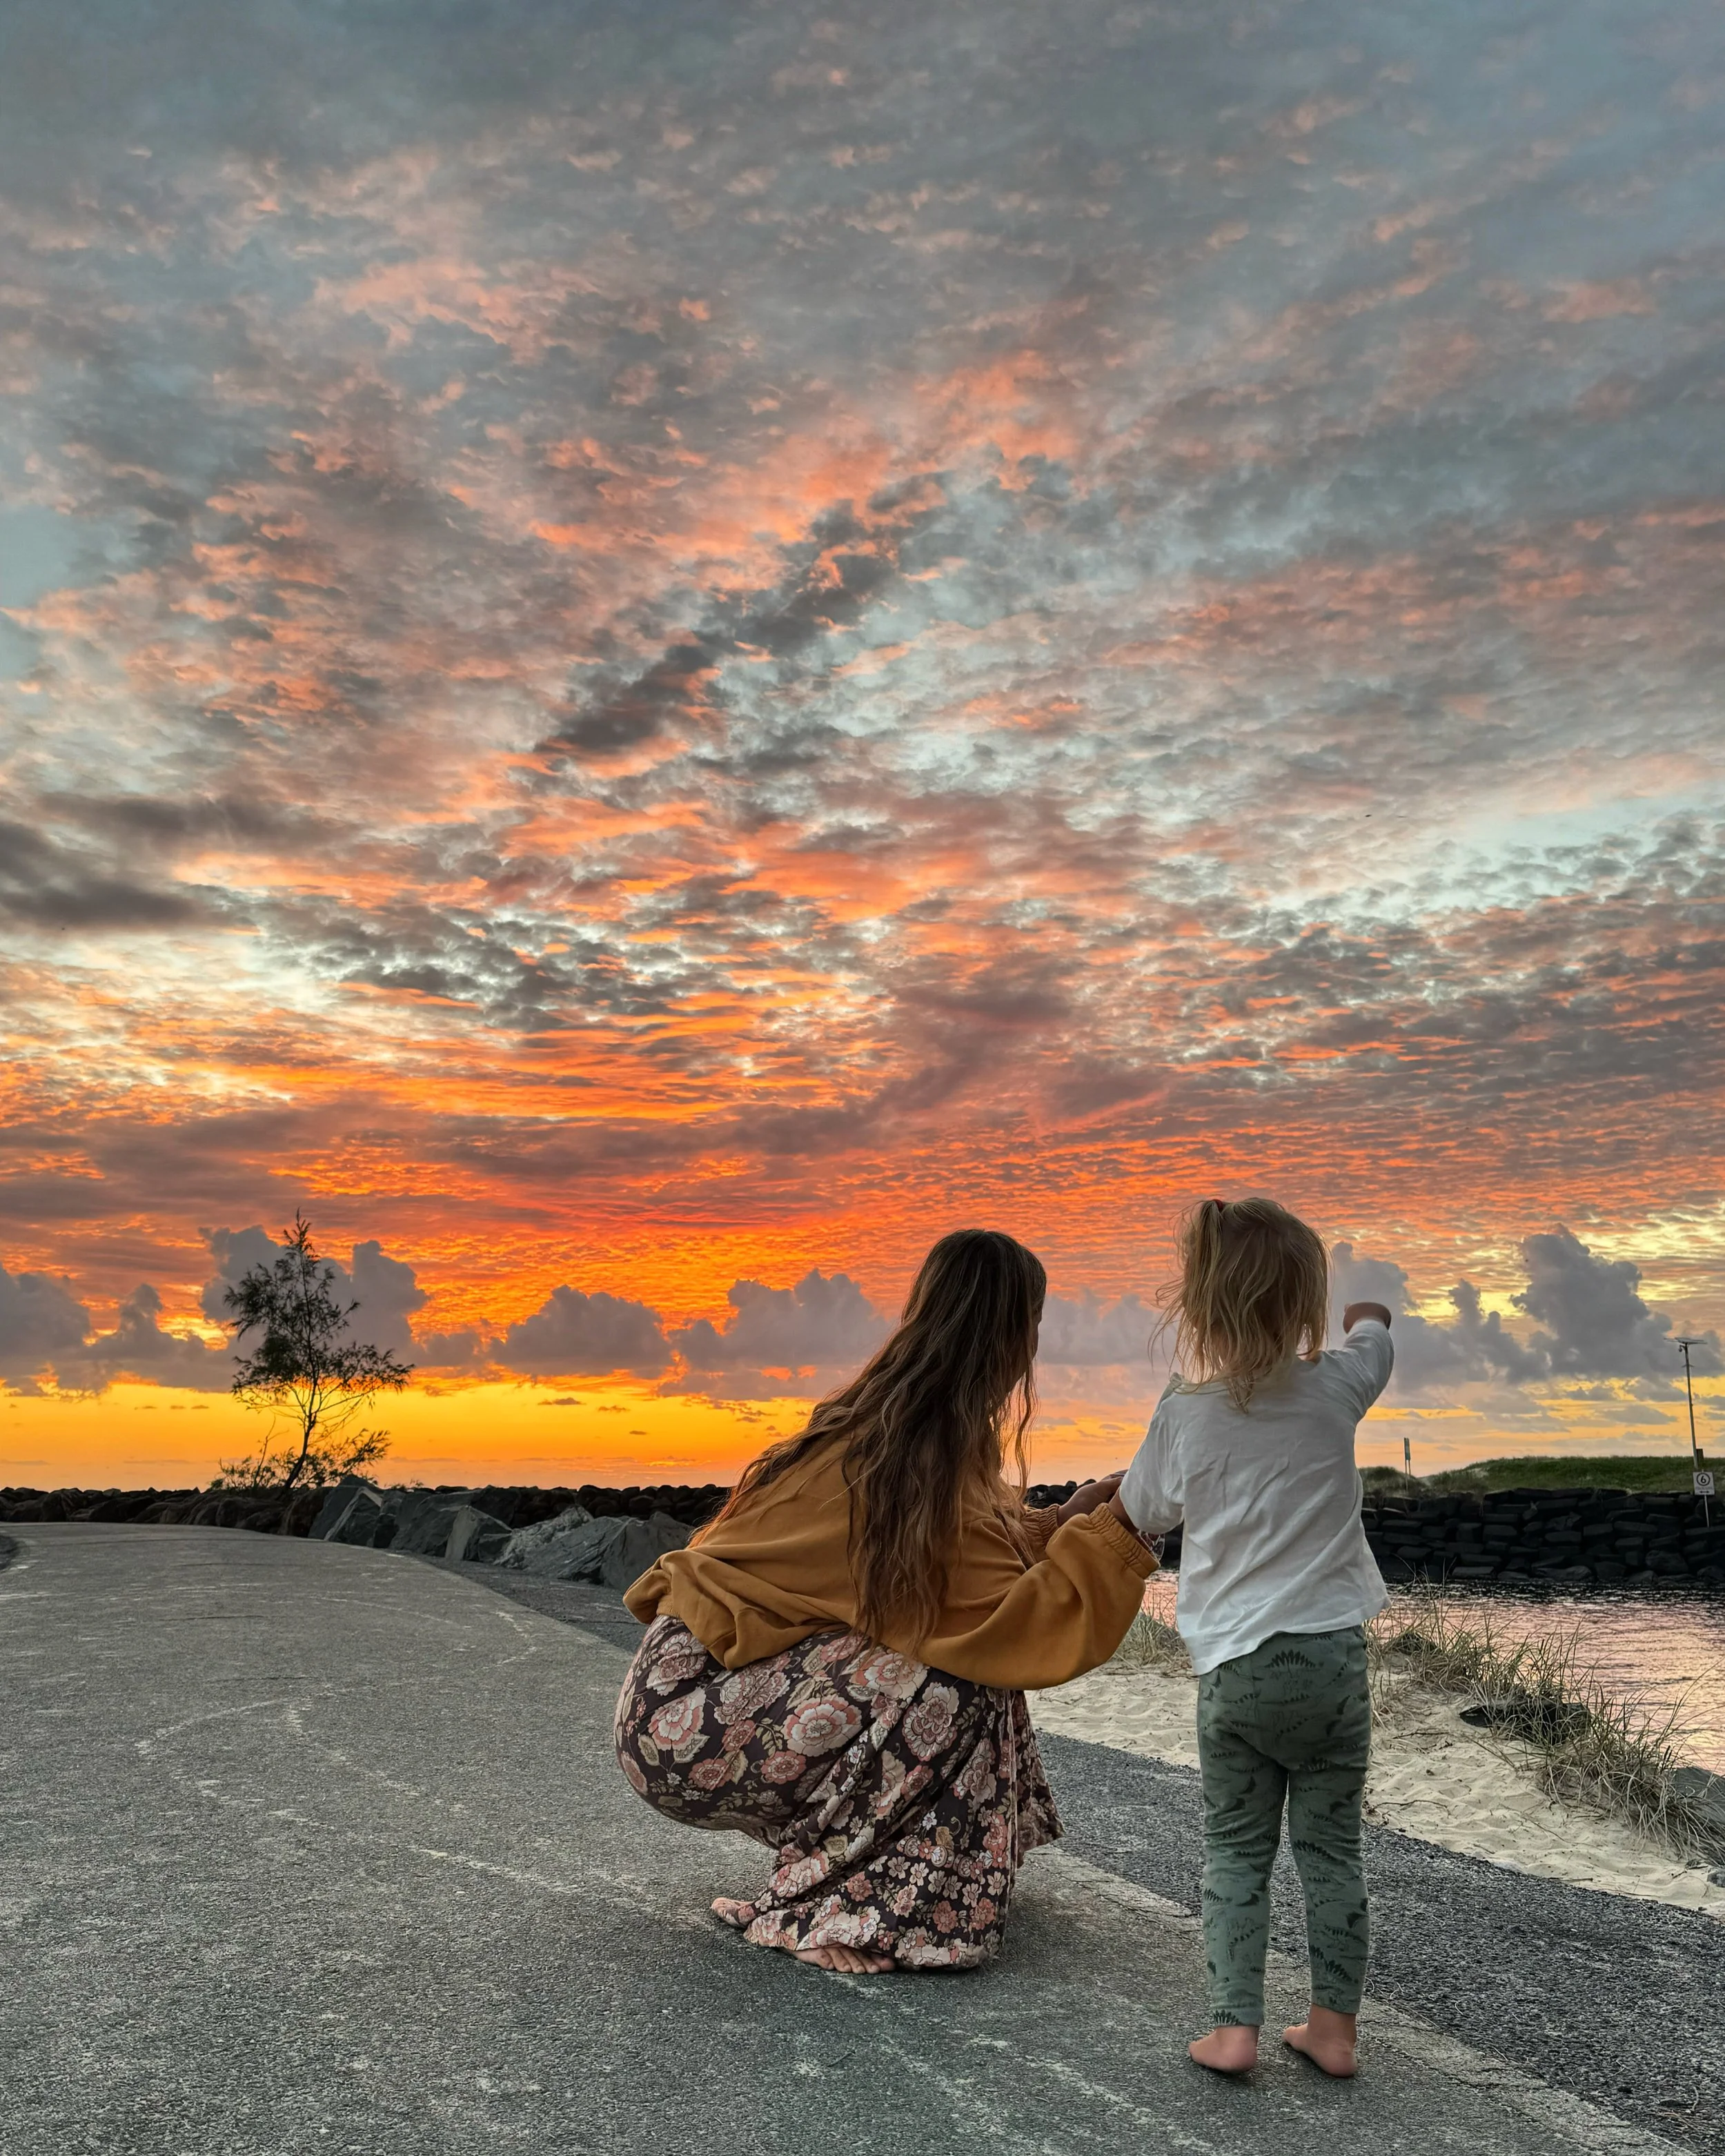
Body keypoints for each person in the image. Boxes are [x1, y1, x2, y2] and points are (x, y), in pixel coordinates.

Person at [617, 1227, 1158, 1974]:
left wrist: (1064, 1521)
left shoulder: (903, 1430)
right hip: (688, 1712)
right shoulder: (913, 1457)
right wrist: (1116, 1534)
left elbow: (968, 1560)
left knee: (953, 1656)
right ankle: (826, 1904)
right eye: (1032, 1322)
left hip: (702, 1694)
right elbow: (1006, 1618)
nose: (1035, 1344)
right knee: (953, 1673)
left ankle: (905, 1873)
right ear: (1006, 1332)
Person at [1118, 1196, 1393, 2079]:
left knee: (1235, 1847)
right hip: (1330, 1660)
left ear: (1198, 1308)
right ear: (1304, 1305)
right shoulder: (1336, 1384)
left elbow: (1142, 1511)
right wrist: (1367, 1315)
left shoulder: (1185, 1410)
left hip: (1233, 1668)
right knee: (1330, 1849)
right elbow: (1374, 1347)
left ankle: (1233, 2027)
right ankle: (1333, 2030)